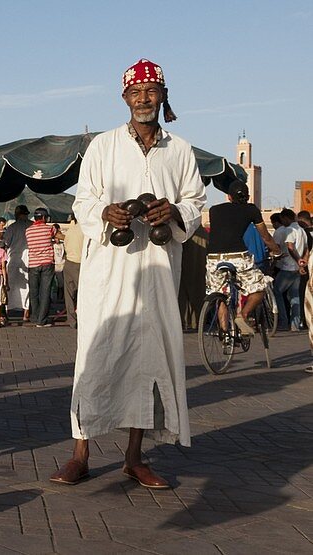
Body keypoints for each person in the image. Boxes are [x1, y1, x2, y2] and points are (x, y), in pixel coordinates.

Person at [49, 59, 206, 491]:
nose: (144, 99)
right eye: (136, 93)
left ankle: (134, 458)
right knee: (95, 357)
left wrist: (176, 211)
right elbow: (82, 203)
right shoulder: (103, 146)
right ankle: (80, 454)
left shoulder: (180, 149)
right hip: (109, 273)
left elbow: (195, 201)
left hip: (156, 270)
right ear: (124, 98)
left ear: (162, 95)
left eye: (151, 91)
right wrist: (106, 211)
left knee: (148, 358)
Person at [205, 180, 279, 336]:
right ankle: (242, 315)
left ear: (229, 197)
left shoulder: (214, 210)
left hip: (213, 258)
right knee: (259, 287)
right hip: (238, 256)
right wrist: (277, 251)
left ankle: (225, 334)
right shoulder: (251, 210)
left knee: (220, 294)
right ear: (248, 196)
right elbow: (265, 237)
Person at [272, 209, 307, 332]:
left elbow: (290, 247)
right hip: (296, 269)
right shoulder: (302, 231)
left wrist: (297, 260)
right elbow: (306, 249)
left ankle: (283, 321)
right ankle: (295, 325)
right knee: (294, 296)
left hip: (288, 267)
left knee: (276, 291)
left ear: (286, 218)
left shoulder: (290, 230)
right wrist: (302, 263)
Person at [25, 208, 60, 327]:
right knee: (45, 292)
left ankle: (35, 317)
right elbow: (57, 237)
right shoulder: (50, 228)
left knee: (34, 292)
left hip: (33, 264)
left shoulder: (28, 231)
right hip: (47, 263)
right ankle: (42, 320)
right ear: (44, 218)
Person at [2, 205, 31, 322]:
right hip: (28, 259)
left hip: (13, 260)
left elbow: (5, 243)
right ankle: (26, 313)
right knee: (27, 287)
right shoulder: (31, 226)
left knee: (10, 286)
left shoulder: (12, 227)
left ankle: (7, 311)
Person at [61, 215, 83, 328]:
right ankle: (84, 318)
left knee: (69, 294)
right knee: (84, 293)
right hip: (82, 264)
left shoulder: (70, 231)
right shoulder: (86, 230)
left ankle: (72, 320)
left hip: (69, 262)